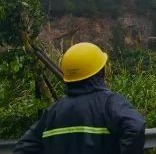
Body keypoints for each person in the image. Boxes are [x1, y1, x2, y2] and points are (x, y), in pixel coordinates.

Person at [14, 42, 145, 154]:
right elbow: (135, 127)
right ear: (101, 72)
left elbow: (23, 148)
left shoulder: (52, 112)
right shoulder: (109, 104)